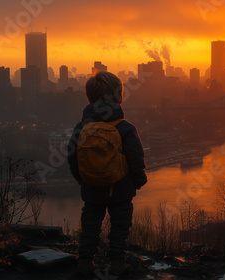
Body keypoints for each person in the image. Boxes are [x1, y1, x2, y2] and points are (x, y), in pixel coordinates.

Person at [67, 71, 147, 277]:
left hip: (92, 190)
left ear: (90, 97)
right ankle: (117, 265)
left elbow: (72, 158)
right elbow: (136, 160)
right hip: (121, 190)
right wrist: (137, 182)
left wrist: (84, 180)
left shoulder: (81, 127)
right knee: (119, 229)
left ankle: (85, 264)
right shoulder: (125, 128)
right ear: (118, 96)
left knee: (90, 227)